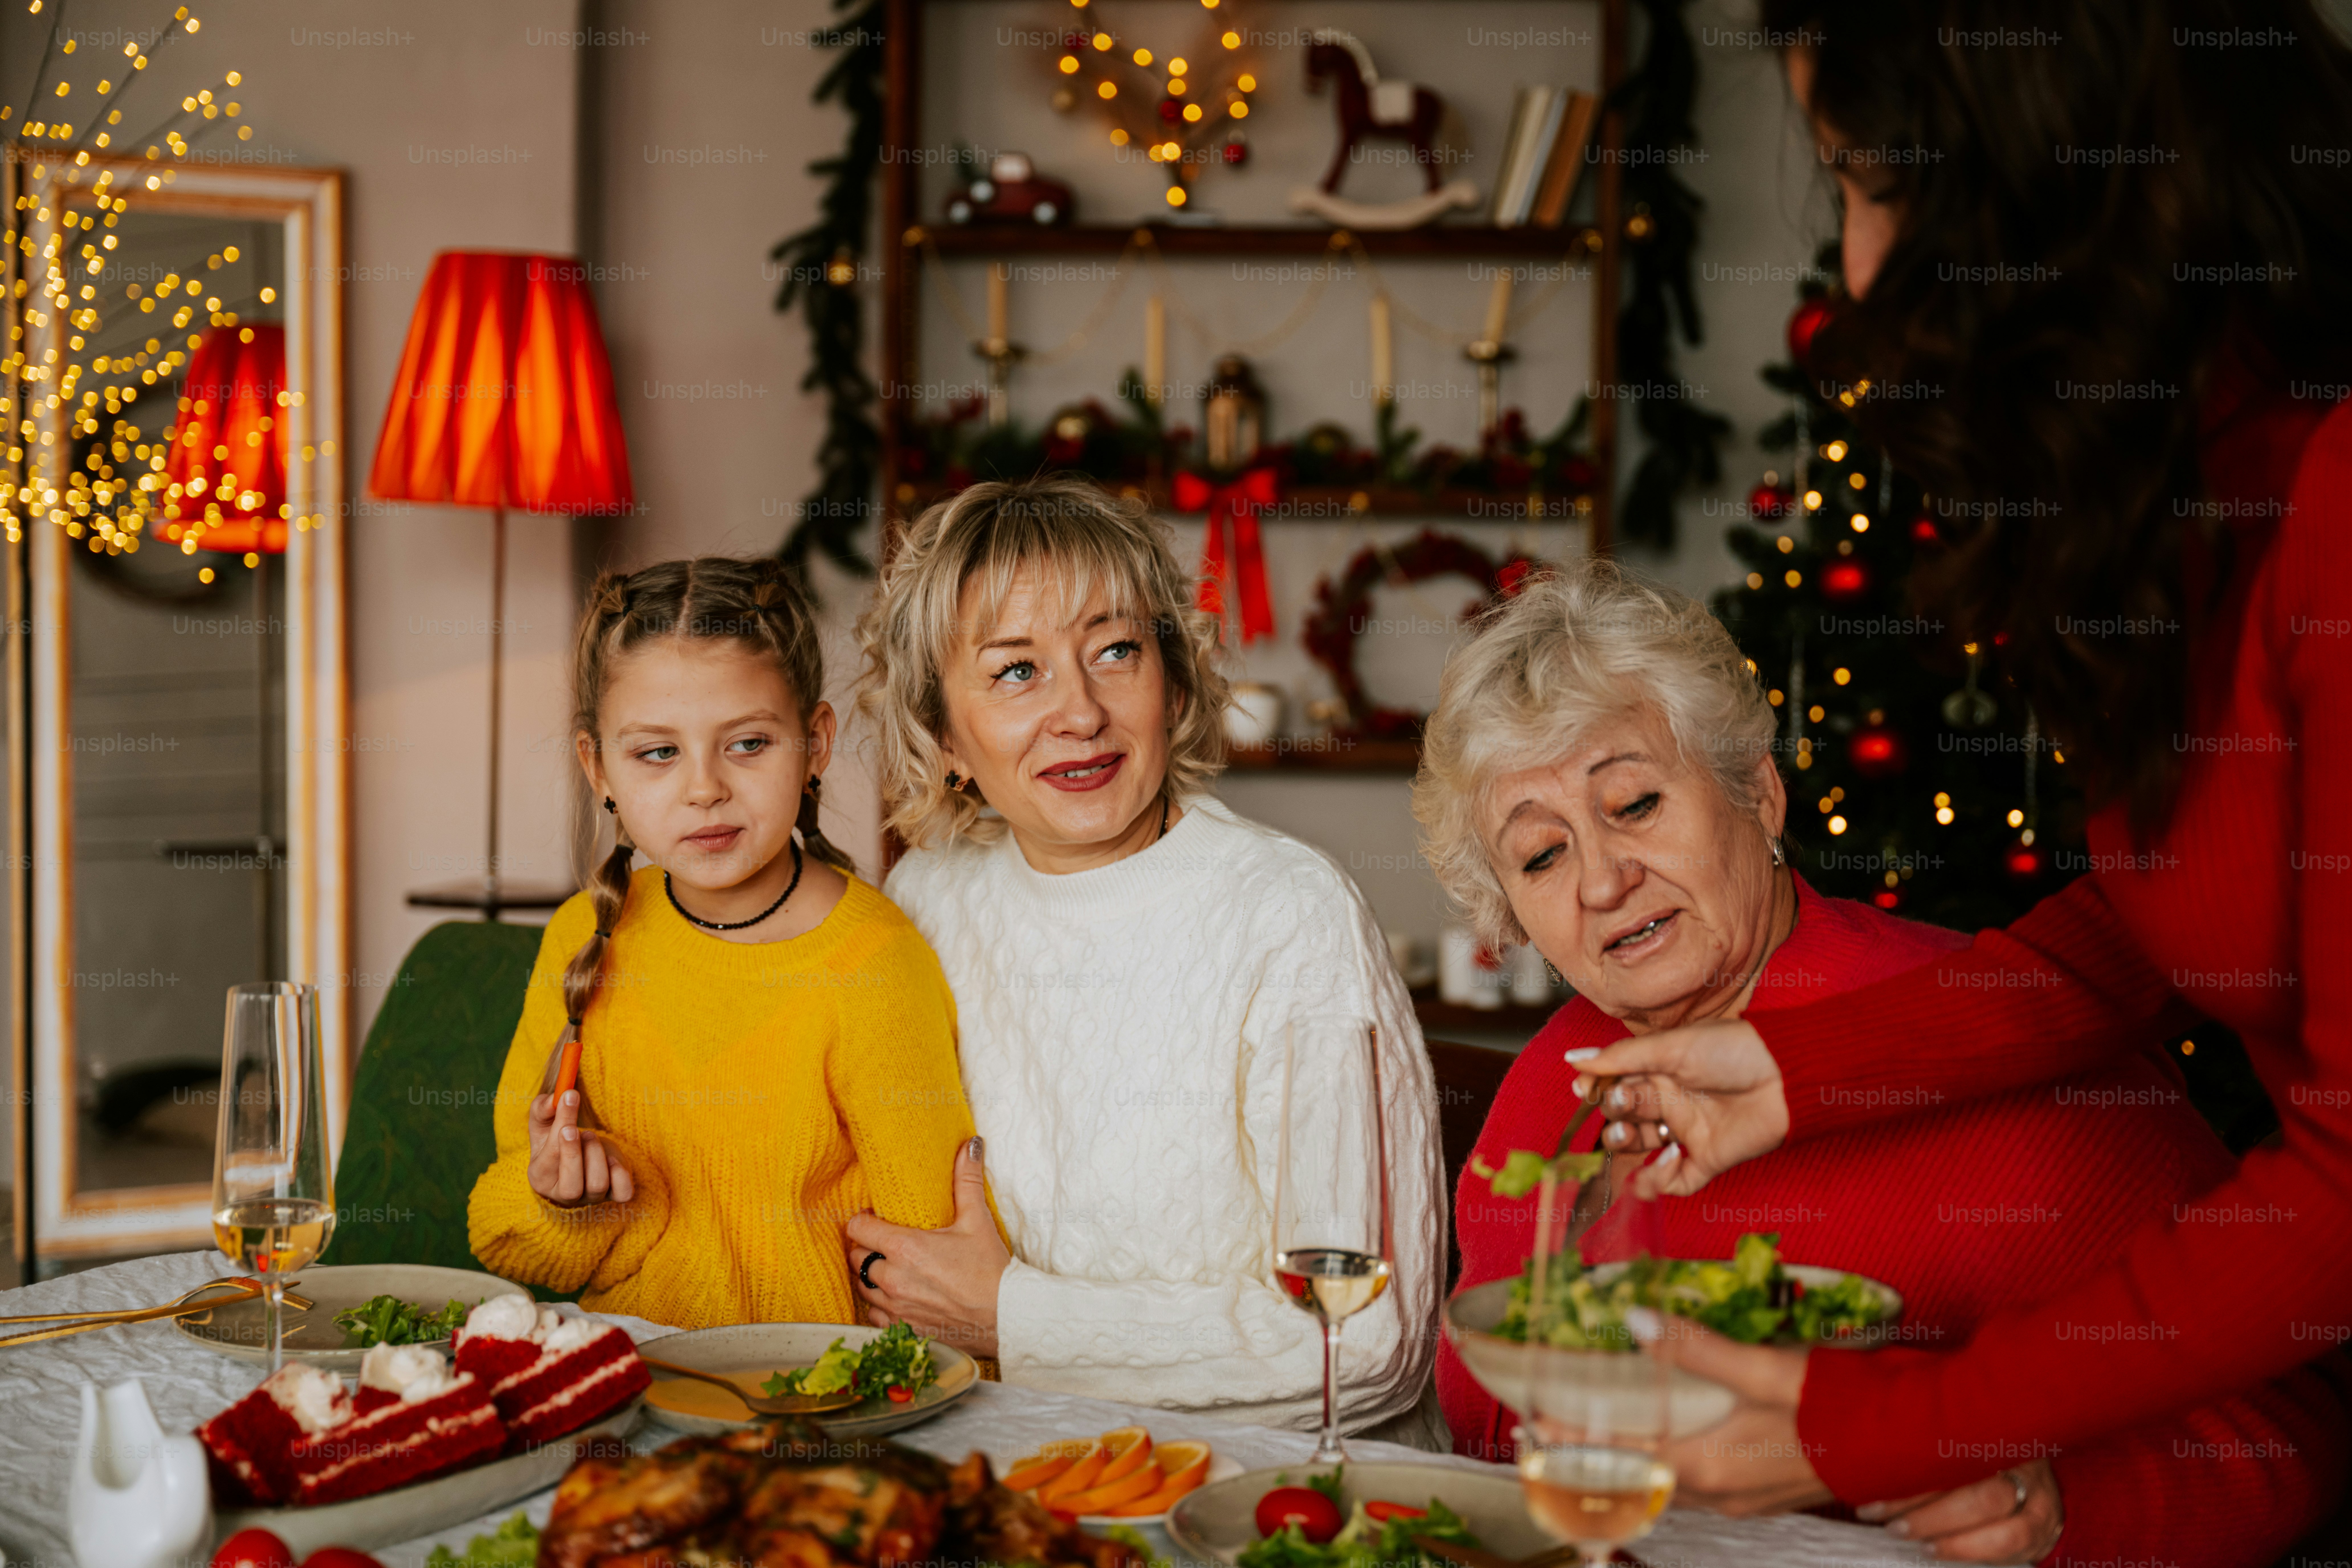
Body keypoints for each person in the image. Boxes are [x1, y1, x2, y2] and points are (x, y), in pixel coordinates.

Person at [1556, 0, 2352, 1532]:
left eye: (1877, 188)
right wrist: (1804, 1074)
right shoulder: (2196, 490)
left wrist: (1893, 1424)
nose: (1854, 270)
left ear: (2057, 183)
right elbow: (2157, 913)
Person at [1414, 562, 2346, 1565]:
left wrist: (2059, 1504)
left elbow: (2291, 1432)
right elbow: (1486, 1441)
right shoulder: (1547, 1084)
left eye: (1635, 803)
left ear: (1759, 794)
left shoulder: (1992, 1050)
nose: (1601, 878)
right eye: (1542, 857)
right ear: (1511, 913)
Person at [842, 475, 1444, 1440]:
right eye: (1014, 671)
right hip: (1001, 1474)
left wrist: (1014, 1316)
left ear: (1172, 679)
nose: (1079, 713)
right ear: (944, 734)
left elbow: (1364, 1346)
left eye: (1116, 651)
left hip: (1279, 1507)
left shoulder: (1290, 915)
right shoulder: (926, 899)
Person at [468, 557, 977, 1330]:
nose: (704, 787)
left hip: (811, 1403)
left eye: (747, 744)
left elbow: (936, 1269)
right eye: (658, 754)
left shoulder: (874, 963)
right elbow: (515, 1243)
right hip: (630, 1380)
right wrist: (562, 1200)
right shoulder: (584, 935)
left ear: (815, 745)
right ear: (597, 768)